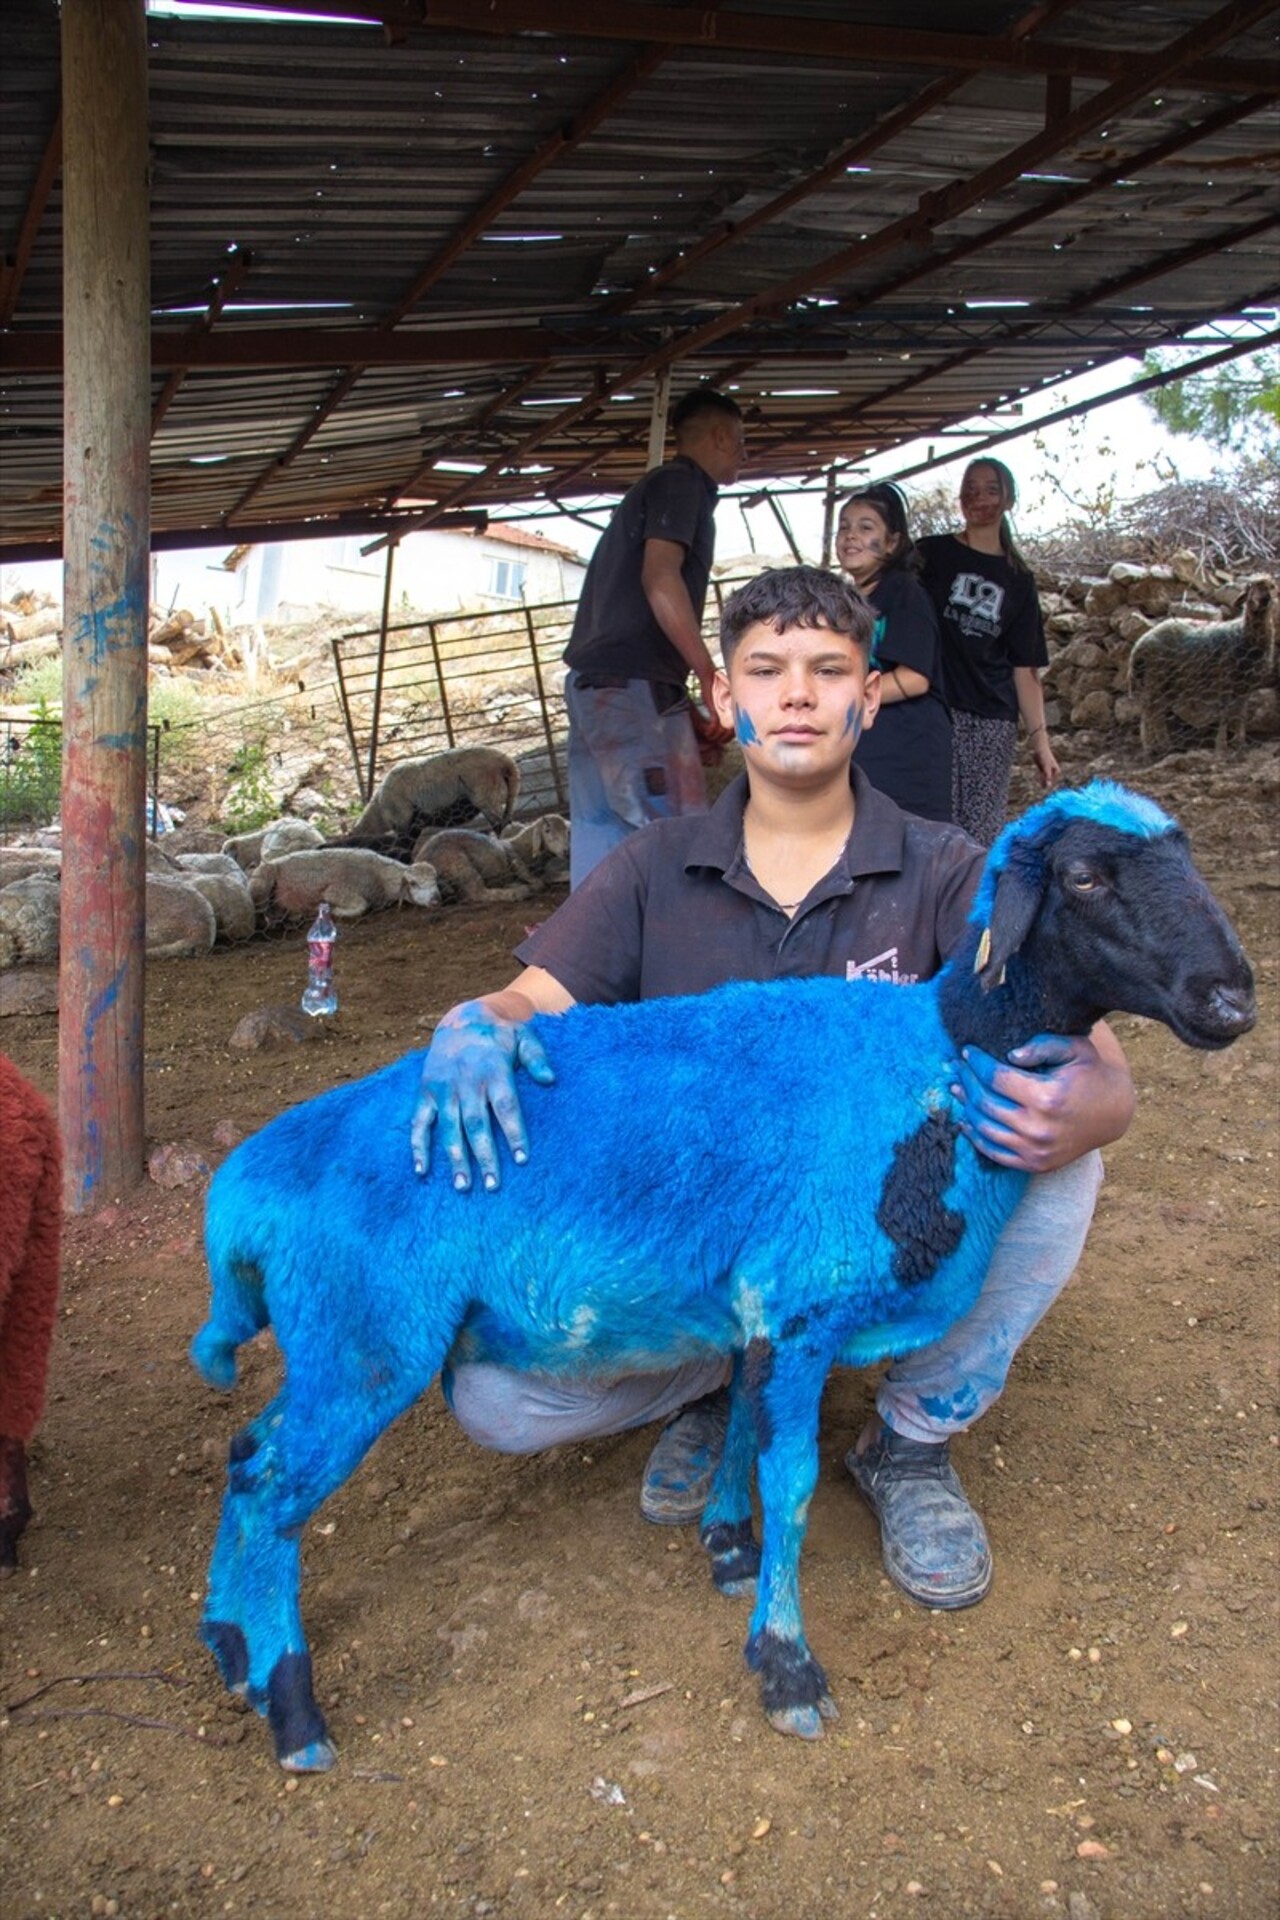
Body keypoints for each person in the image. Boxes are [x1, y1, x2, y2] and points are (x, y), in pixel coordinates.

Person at [410, 566, 1134, 1613]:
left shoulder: (941, 868)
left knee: (1052, 1146)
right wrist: (472, 1025)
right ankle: (713, 1376)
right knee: (497, 1401)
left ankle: (910, 1440)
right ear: (722, 700)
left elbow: (1090, 1058)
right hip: (700, 1246)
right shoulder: (655, 868)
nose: (795, 694)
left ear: (868, 696)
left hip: (871, 1225)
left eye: (826, 669)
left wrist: (1097, 1104)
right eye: (764, 670)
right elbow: (527, 1000)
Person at [560, 386, 744, 888]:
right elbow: (660, 576)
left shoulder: (652, 489)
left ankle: (598, 959)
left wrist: (675, 698)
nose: (743, 455)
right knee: (676, 835)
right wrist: (709, 675)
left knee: (602, 835)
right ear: (722, 436)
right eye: (741, 442)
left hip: (598, 687)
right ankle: (684, 957)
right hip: (629, 690)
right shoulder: (682, 485)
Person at [916, 458, 1060, 847]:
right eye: (971, 488)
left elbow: (1024, 668)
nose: (979, 497)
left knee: (980, 828)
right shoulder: (930, 555)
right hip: (933, 707)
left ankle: (974, 906)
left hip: (991, 717)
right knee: (930, 819)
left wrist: (1040, 744)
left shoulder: (1018, 579)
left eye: (991, 489)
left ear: (1009, 500)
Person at [834, 481, 952, 822]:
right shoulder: (848, 603)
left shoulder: (903, 593)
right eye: (844, 527)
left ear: (893, 541)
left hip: (906, 753)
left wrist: (842, 695)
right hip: (868, 750)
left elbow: (915, 679)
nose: (851, 536)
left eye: (865, 527)